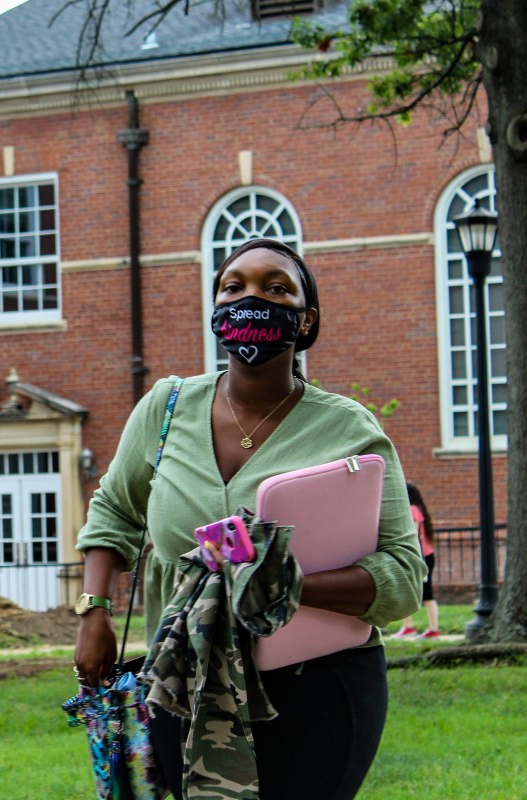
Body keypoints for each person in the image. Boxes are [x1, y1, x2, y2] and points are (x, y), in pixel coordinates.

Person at [73, 238, 425, 800]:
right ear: (216, 311)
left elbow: (404, 577)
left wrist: (283, 586)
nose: (251, 298)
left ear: (305, 320)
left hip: (320, 684)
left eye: (276, 287)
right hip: (182, 679)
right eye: (233, 287)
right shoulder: (165, 410)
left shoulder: (349, 430)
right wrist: (94, 610)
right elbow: (114, 508)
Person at [394, 483, 439, 639]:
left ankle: (432, 629)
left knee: (426, 594)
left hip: (421, 557)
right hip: (425, 555)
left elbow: (412, 534)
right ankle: (409, 626)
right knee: (409, 590)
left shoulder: (412, 510)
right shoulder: (418, 509)